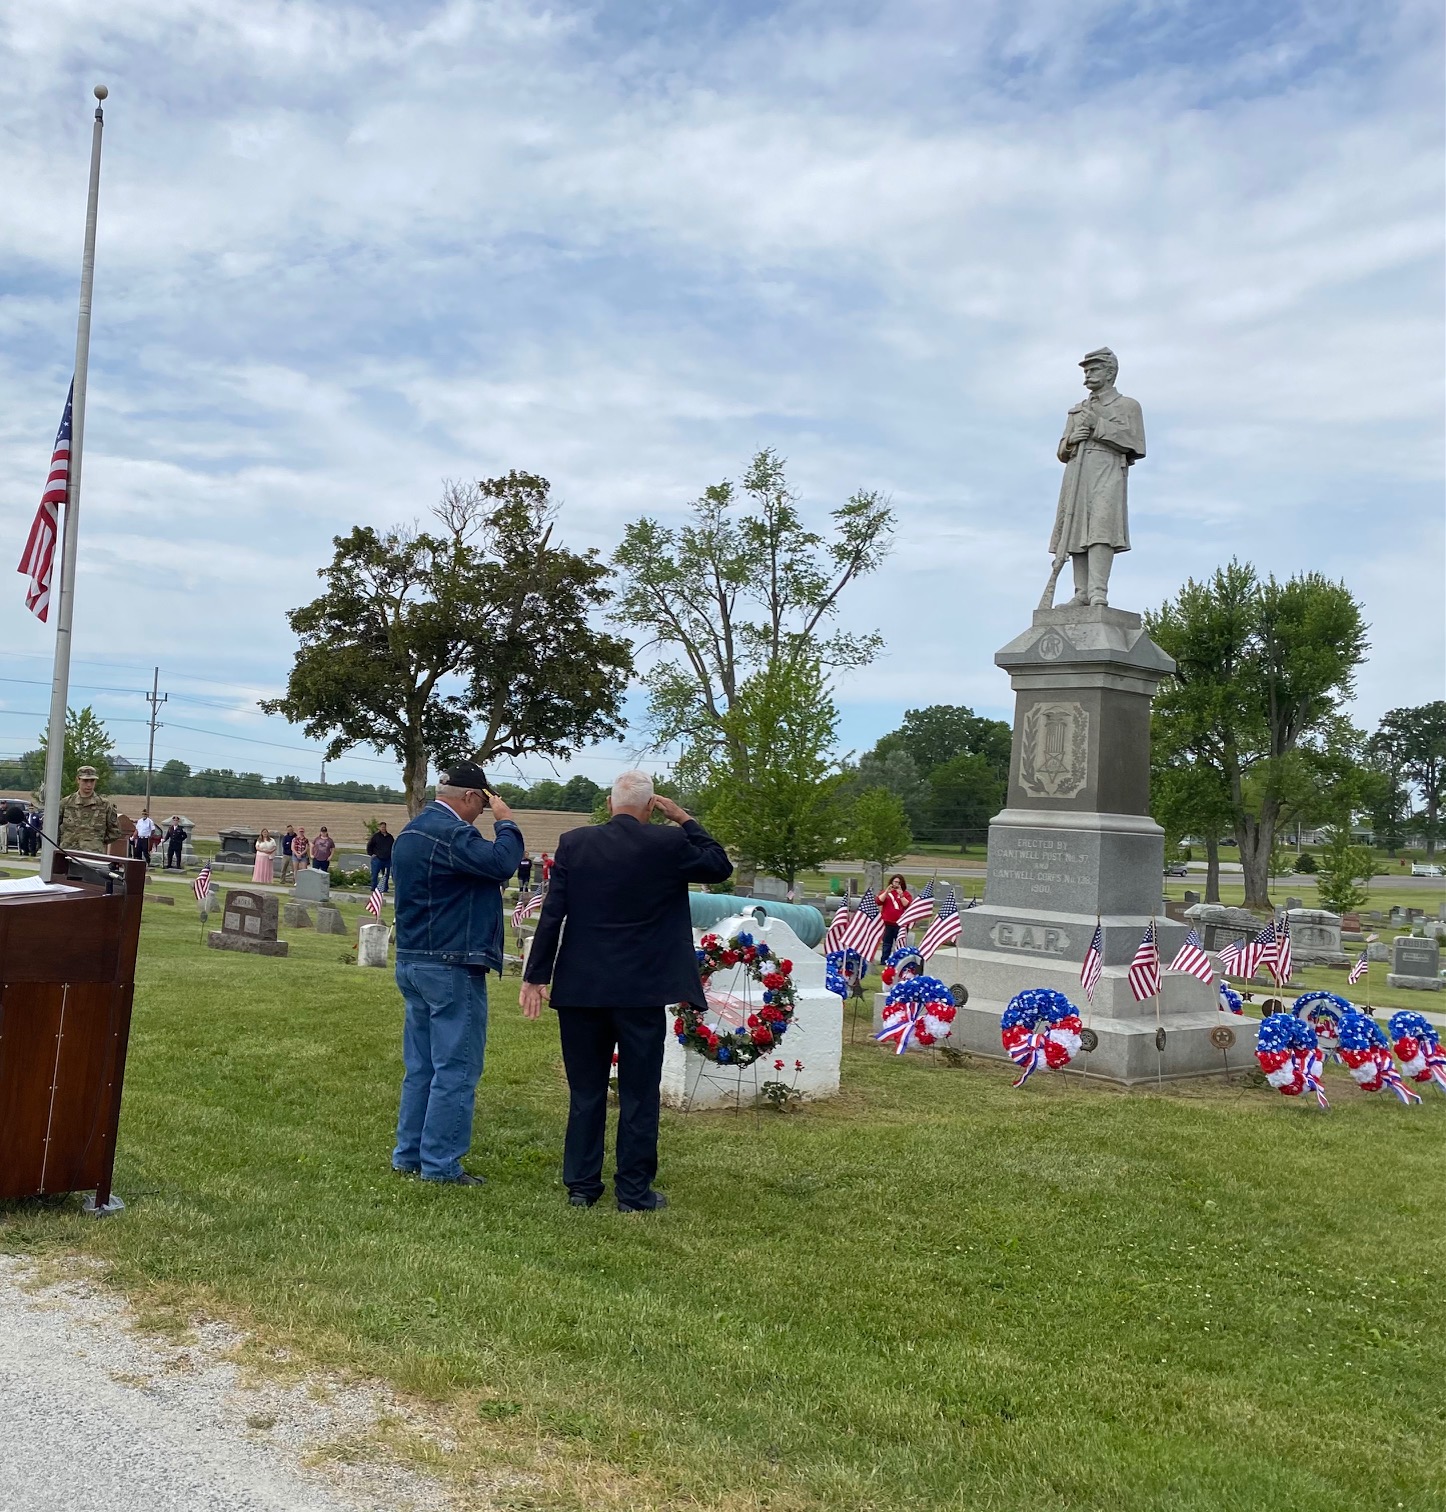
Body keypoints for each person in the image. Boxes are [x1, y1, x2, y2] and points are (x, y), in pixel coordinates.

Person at [520, 771, 733, 1213]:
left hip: (582, 987)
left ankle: (581, 1186)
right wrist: (683, 818)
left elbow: (553, 913)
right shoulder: (667, 845)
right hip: (641, 990)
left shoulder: (574, 843)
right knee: (639, 1093)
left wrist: (535, 975)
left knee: (586, 1091)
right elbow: (719, 864)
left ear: (609, 801)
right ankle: (634, 1193)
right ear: (651, 805)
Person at [391, 761, 523, 1186]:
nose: (485, 811)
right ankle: (441, 1165)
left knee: (422, 1067)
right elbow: (502, 863)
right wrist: (508, 823)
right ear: (468, 796)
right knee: (456, 1068)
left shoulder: (412, 830)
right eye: (483, 802)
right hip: (449, 962)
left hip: (414, 959)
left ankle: (408, 1155)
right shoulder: (451, 833)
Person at [1046, 346, 1145, 609]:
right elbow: (1061, 451)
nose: (1087, 376)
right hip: (1077, 471)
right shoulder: (1077, 411)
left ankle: (1098, 591)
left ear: (1110, 372)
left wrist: (1097, 427)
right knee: (1076, 531)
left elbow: (1135, 442)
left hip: (1107, 468)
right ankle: (1082, 593)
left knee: (1101, 529)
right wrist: (1070, 441)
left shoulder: (1127, 406)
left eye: (1094, 370)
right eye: (1086, 371)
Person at [57, 765, 122, 856]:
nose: (89, 784)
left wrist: (95, 841)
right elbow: (53, 828)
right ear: (78, 780)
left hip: (93, 854)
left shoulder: (104, 805)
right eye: (85, 781)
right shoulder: (66, 803)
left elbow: (115, 832)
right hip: (67, 852)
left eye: (92, 781)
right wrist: (66, 841)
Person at [877, 874, 913, 960]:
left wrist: (901, 895)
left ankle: (898, 960)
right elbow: (878, 901)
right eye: (895, 882)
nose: (896, 884)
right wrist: (886, 892)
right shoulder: (885, 893)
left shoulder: (906, 894)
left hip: (900, 924)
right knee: (887, 943)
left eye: (899, 882)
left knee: (899, 943)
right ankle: (884, 960)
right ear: (891, 882)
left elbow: (906, 905)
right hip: (887, 923)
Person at [367, 821, 394, 893]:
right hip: (377, 859)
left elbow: (393, 847)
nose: (383, 828)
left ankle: (384, 888)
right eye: (382, 827)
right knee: (375, 874)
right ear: (379, 828)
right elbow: (369, 845)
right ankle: (374, 888)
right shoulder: (376, 837)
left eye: (384, 827)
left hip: (387, 859)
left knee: (386, 875)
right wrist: (371, 854)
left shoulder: (390, 837)